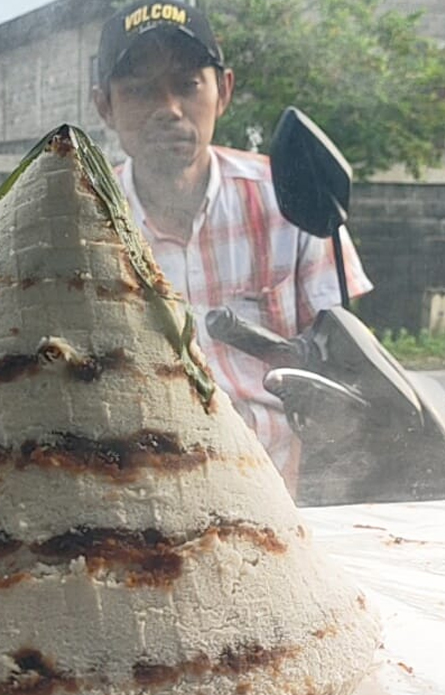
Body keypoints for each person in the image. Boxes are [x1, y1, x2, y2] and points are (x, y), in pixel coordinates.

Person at [92, 0, 372, 496]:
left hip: (282, 494)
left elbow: (350, 365)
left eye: (186, 84)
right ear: (105, 108)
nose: (169, 109)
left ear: (224, 91)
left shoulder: (288, 197)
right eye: (139, 90)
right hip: (141, 496)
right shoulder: (87, 219)